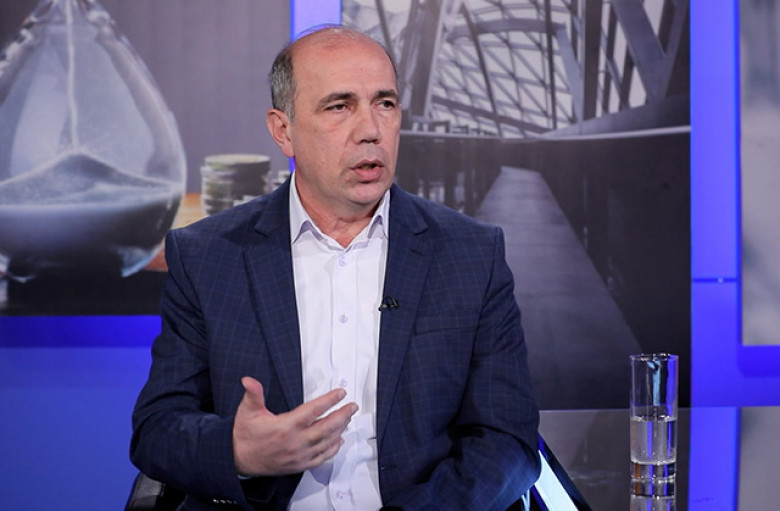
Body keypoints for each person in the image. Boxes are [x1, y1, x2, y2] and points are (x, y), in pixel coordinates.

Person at [130, 25, 540, 511]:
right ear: (283, 130)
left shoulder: (470, 253)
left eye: (385, 103)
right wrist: (239, 454)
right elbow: (157, 429)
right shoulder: (208, 256)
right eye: (339, 106)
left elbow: (506, 441)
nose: (371, 130)